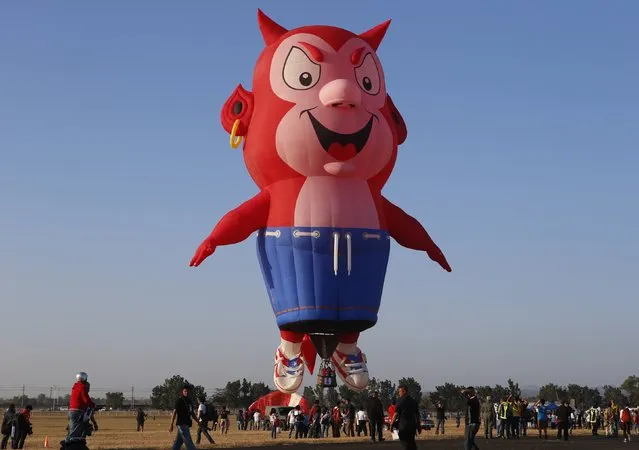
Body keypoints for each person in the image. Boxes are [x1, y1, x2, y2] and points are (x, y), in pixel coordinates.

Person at [66, 372, 97, 444]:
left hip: (71, 411)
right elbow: (86, 399)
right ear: (84, 378)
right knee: (75, 433)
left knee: (72, 430)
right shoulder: (82, 387)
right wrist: (93, 405)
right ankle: (71, 445)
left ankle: (67, 443)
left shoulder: (75, 387)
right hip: (78, 411)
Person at [168, 383, 199, 450]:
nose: (186, 392)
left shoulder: (189, 401)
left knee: (178, 442)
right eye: (185, 391)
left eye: (188, 391)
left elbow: (192, 413)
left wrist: (198, 421)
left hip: (187, 423)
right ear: (182, 392)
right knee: (188, 441)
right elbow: (174, 412)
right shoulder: (179, 400)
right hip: (181, 424)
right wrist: (171, 424)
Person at [391, 385, 421, 450]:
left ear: (404, 391)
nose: (399, 393)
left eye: (399, 391)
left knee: (404, 443)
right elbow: (417, 415)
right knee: (412, 442)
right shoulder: (413, 401)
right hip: (412, 425)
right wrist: (418, 425)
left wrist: (391, 424)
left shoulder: (399, 401)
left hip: (403, 426)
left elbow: (396, 414)